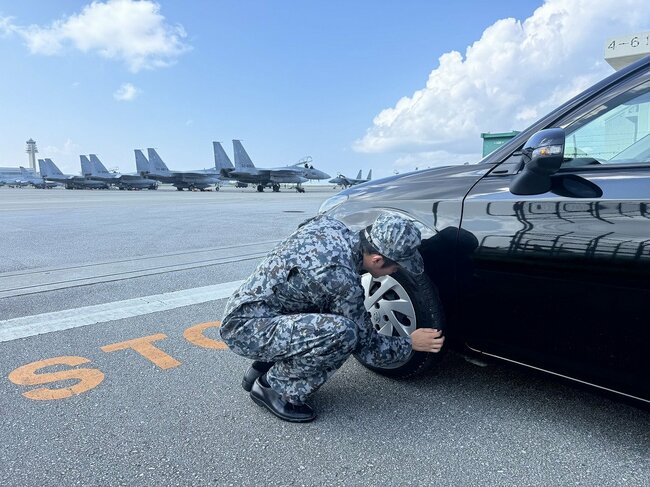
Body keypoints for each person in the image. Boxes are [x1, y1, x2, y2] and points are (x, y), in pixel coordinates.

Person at [219, 213, 445, 422]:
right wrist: (411, 343)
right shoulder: (340, 280)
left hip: (252, 310)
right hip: (245, 330)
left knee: (321, 306)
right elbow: (368, 349)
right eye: (396, 267)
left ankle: (263, 367)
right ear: (377, 260)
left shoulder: (330, 225)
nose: (396, 272)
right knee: (344, 334)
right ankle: (275, 389)